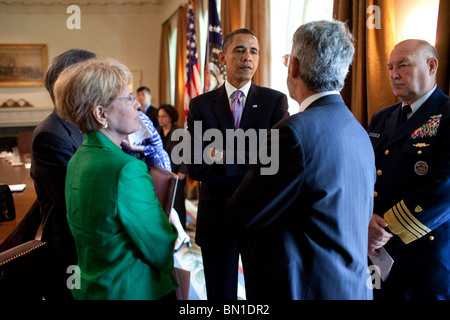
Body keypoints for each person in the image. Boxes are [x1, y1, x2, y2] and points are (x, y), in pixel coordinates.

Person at [227, 20, 375, 300]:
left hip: (305, 288)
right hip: (351, 289)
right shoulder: (359, 130)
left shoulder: (291, 132)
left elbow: (242, 216)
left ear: (293, 66)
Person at [54, 58, 178, 300]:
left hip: (92, 288)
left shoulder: (78, 158)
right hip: (132, 289)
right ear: (101, 114)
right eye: (129, 99)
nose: (138, 107)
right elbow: (160, 245)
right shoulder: (125, 168)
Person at [186, 28, 289, 300]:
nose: (247, 57)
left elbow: (276, 162)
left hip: (261, 218)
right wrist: (251, 157)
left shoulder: (274, 101)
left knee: (263, 295)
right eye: (239, 50)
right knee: (220, 295)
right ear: (222, 57)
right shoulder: (200, 105)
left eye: (253, 51)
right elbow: (195, 165)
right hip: (216, 217)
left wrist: (220, 155)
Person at [367, 39, 450, 300]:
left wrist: (383, 230)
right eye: (390, 68)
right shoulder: (381, 117)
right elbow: (367, 174)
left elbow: (444, 187)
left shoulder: (446, 115)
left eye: (403, 65)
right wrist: (366, 218)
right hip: (374, 252)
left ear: (431, 65)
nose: (393, 74)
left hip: (423, 254)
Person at [30, 48, 96, 300]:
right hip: (71, 253)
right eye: (92, 76)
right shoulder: (51, 134)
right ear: (68, 84)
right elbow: (77, 202)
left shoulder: (81, 125)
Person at [157, 104, 188, 229]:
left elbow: (186, 152)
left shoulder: (179, 132)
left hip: (177, 172)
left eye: (163, 116)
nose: (160, 119)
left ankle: (182, 229)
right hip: (162, 173)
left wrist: (182, 170)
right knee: (163, 200)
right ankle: (167, 227)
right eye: (159, 116)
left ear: (170, 117)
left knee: (178, 201)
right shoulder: (156, 131)